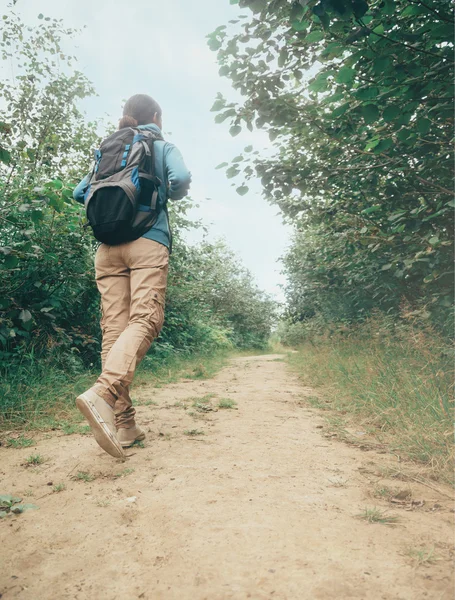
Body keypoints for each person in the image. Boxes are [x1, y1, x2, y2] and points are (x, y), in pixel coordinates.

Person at [73, 94, 191, 459]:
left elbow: (80, 192)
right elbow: (181, 179)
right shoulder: (160, 144)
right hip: (147, 241)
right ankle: (104, 393)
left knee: (114, 329)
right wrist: (159, 196)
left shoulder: (109, 149)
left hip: (107, 249)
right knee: (145, 319)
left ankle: (124, 426)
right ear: (156, 115)